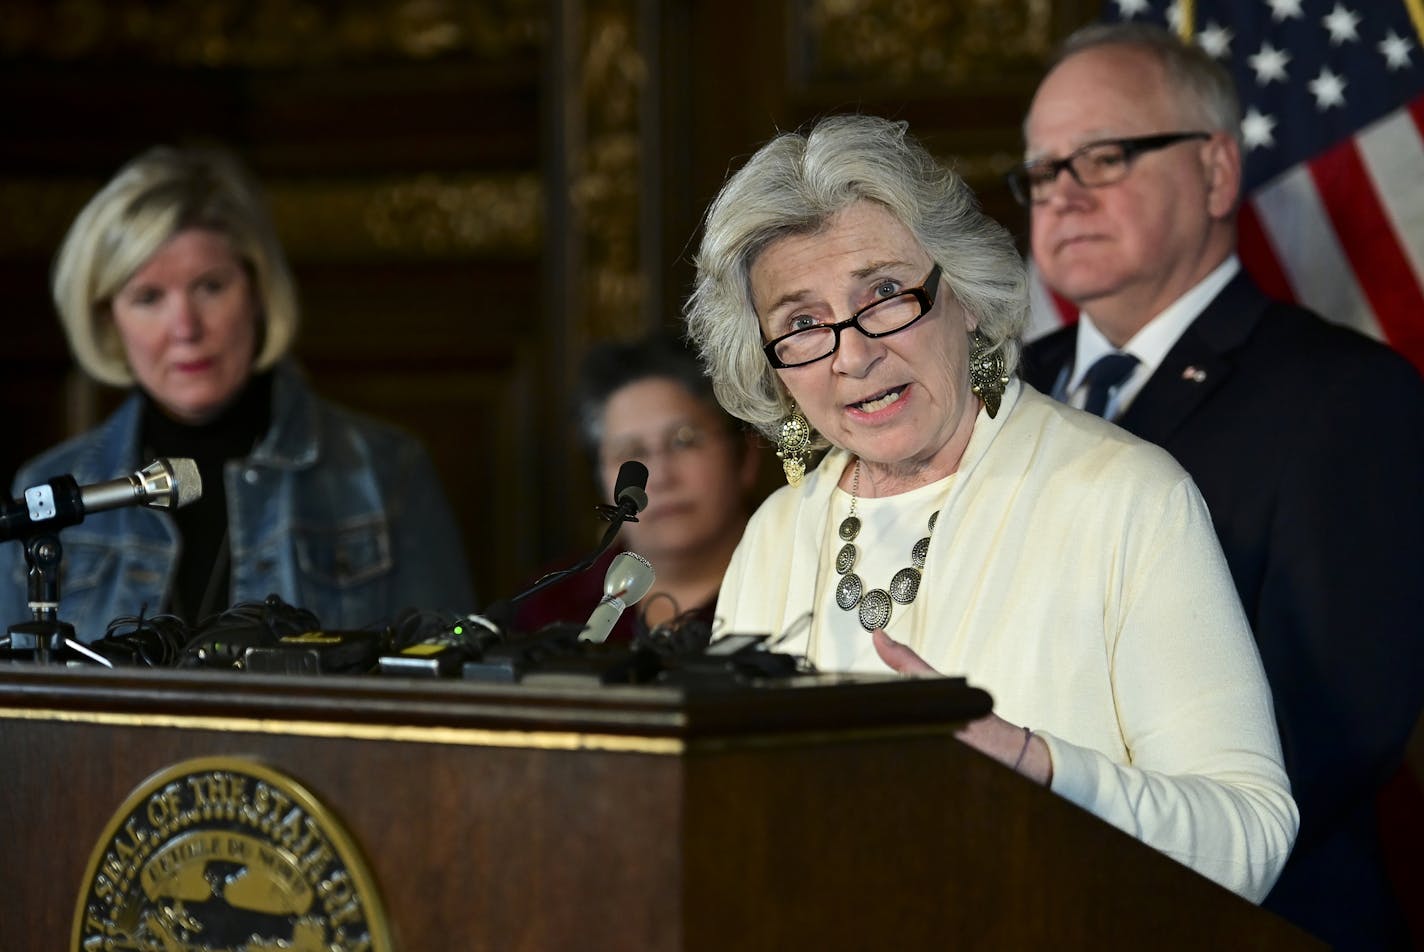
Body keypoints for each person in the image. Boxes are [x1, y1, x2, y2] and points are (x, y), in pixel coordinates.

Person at [683, 113, 1297, 902]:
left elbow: (1251, 837)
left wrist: (1036, 766)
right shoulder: (775, 533)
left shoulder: (1126, 498)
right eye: (801, 323)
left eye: (885, 294)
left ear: (964, 296)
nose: (854, 352)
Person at [1013, 23, 1424, 948]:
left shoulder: (1348, 397)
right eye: (1041, 172)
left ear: (1217, 173)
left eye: (1104, 157)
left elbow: (1342, 722)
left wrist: (1099, 852)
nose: (1062, 196)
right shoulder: (990, 393)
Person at [0, 145, 475, 642]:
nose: (185, 327)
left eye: (210, 286)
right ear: (108, 320)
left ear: (258, 291)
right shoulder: (48, 493)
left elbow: (447, 684)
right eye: (149, 297)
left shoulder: (386, 471)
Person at [515, 333, 759, 642]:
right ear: (601, 480)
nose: (660, 477)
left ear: (745, 458)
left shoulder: (800, 589)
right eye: (630, 453)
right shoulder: (548, 608)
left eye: (684, 441)